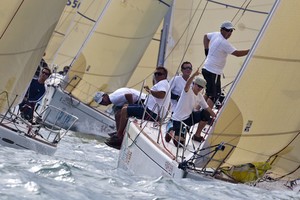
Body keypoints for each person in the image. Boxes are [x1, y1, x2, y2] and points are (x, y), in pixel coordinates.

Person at [105, 66, 171, 149]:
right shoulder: (163, 84)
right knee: (125, 107)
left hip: (151, 113)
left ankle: (119, 137)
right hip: (149, 109)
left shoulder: (163, 83)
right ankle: (120, 132)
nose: (157, 76)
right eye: (155, 74)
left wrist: (150, 91)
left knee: (125, 110)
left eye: (159, 74)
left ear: (165, 76)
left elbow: (162, 95)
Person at [202, 21, 249, 107]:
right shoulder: (223, 42)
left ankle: (197, 110)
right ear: (221, 30)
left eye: (231, 31)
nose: (229, 33)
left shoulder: (216, 35)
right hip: (213, 71)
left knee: (209, 92)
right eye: (228, 30)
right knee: (215, 95)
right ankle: (205, 115)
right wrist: (250, 51)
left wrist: (206, 50)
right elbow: (237, 53)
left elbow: (205, 36)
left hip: (208, 69)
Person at [167, 68, 216, 147]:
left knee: (206, 113)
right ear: (194, 84)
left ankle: (197, 135)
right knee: (179, 144)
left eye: (201, 87)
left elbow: (207, 108)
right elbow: (187, 84)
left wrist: (215, 117)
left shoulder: (200, 96)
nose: (199, 88)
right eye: (198, 85)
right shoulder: (187, 91)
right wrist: (194, 74)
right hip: (178, 119)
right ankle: (171, 130)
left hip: (188, 119)